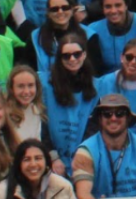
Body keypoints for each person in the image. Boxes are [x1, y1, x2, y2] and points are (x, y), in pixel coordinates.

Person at [40, 34, 99, 163]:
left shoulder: (97, 86)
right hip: (51, 157)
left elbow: (94, 126)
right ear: (59, 58)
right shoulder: (45, 83)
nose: (72, 59)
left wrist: (82, 155)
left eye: (77, 54)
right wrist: (53, 157)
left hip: (84, 156)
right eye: (66, 55)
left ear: (84, 55)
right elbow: (41, 123)